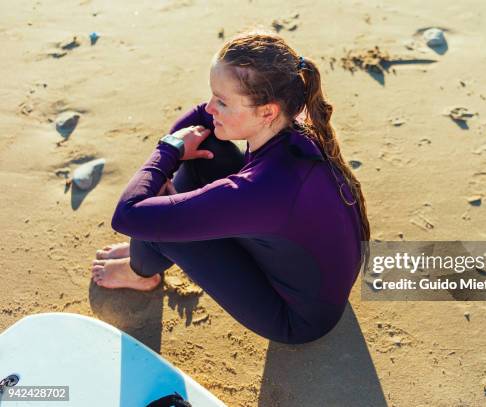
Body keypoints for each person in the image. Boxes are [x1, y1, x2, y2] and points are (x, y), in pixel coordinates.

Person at [91, 31, 370, 344]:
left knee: (156, 220)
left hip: (300, 319)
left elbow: (127, 215)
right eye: (213, 95)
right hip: (313, 273)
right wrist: (177, 162)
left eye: (222, 101)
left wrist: (168, 151)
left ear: (267, 111)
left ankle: (140, 271)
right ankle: (147, 253)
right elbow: (199, 118)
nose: (210, 107)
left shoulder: (259, 190)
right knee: (203, 144)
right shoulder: (294, 126)